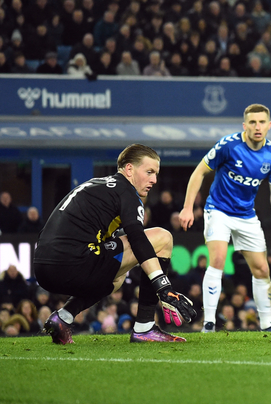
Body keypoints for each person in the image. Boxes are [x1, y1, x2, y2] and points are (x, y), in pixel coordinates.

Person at [33, 144, 197, 344]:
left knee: (118, 276)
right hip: (73, 263)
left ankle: (62, 319)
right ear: (129, 169)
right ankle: (145, 328)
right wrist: (164, 287)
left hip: (42, 268)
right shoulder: (126, 192)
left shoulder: (97, 184)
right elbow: (137, 239)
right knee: (162, 238)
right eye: (149, 172)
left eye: (156, 173)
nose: (154, 180)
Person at [179, 104, 271, 333]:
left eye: (261, 122)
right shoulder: (228, 145)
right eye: (252, 122)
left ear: (269, 126)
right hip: (218, 210)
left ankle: (267, 323)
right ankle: (209, 323)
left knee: (261, 269)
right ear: (244, 125)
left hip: (246, 215)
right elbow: (199, 172)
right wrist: (188, 207)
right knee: (218, 259)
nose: (257, 127)